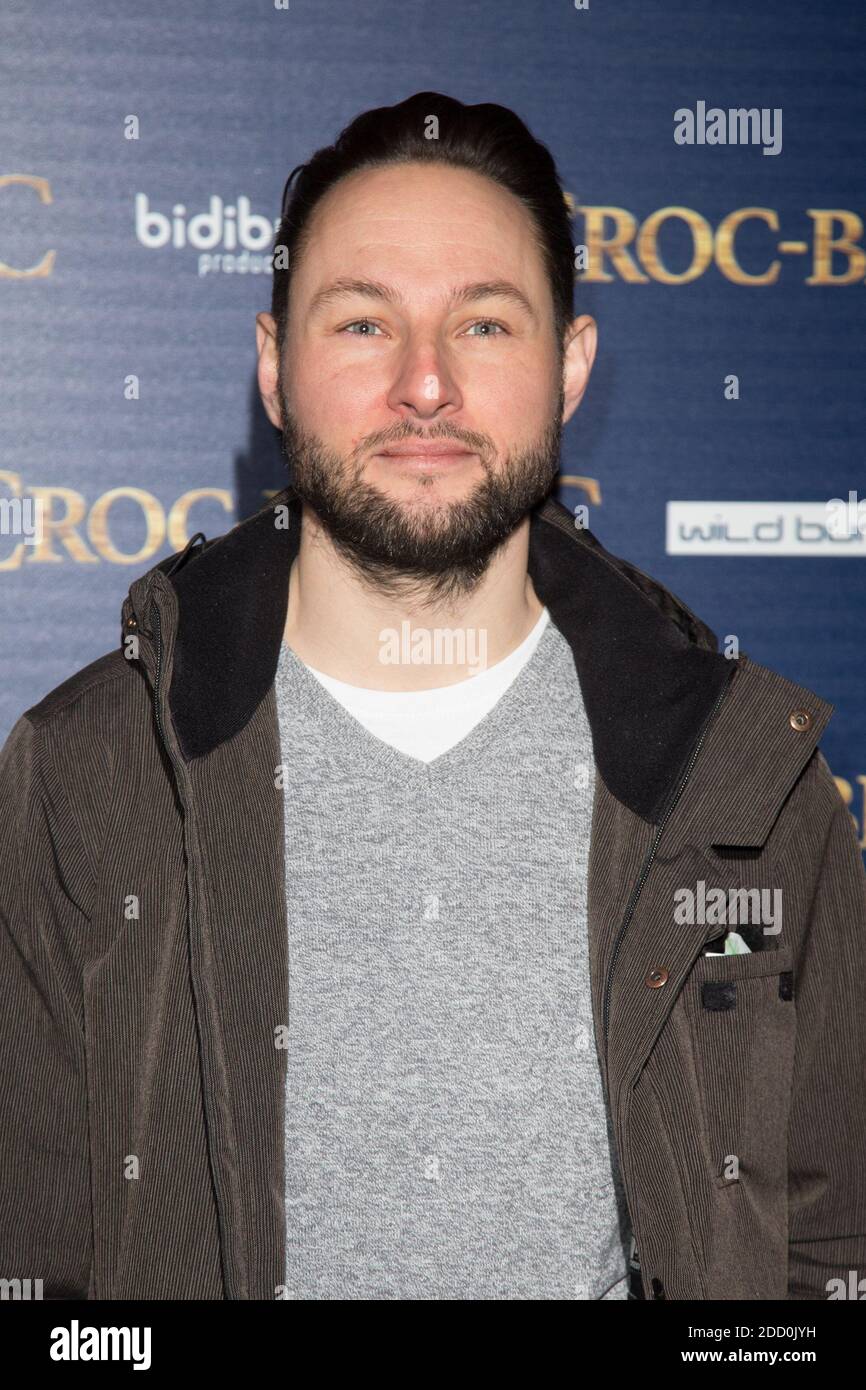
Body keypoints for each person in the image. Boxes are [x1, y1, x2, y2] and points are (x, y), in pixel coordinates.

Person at [1, 91, 864, 1301]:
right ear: (273, 368)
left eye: (485, 327)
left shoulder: (748, 782)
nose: (423, 386)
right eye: (361, 323)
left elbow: (824, 1263)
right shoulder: (88, 770)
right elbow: (34, 1278)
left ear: (569, 368)